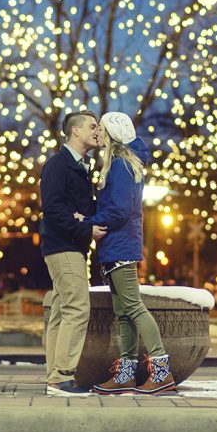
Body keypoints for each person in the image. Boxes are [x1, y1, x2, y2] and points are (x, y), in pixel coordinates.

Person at [81, 112, 176, 395]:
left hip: (121, 245)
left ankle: (161, 372)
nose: (99, 135)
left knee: (133, 307)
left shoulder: (121, 165)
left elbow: (121, 209)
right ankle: (126, 373)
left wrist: (88, 222)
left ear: (112, 136)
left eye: (103, 131)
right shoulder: (121, 164)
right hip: (117, 247)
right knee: (123, 313)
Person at [39, 110, 106, 396]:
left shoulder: (82, 166)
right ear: (74, 131)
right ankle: (62, 378)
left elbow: (77, 208)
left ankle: (55, 375)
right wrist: (84, 229)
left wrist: (86, 218)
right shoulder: (58, 164)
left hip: (69, 246)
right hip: (63, 246)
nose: (97, 132)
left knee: (59, 312)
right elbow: (52, 209)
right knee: (78, 308)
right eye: (92, 126)